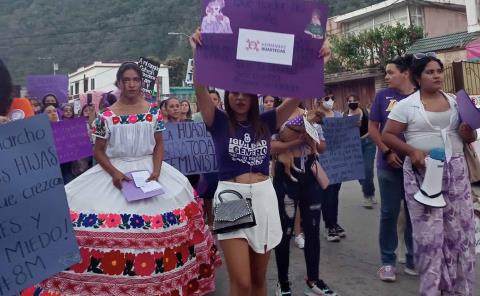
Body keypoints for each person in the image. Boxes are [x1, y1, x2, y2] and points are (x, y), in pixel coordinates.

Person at [29, 62, 221, 295]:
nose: (131, 84)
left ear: (141, 83)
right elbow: (99, 151)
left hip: (150, 173)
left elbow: (159, 144)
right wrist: (115, 173)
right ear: (119, 83)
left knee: (162, 231)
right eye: (126, 80)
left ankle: (158, 282)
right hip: (116, 173)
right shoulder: (105, 116)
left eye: (135, 80)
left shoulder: (153, 112)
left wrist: (157, 172)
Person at [191, 30, 304, 296]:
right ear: (227, 95)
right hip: (232, 198)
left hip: (264, 196)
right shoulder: (217, 121)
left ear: (254, 97)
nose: (240, 97)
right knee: (240, 281)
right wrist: (198, 52)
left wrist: (314, 59)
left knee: (258, 279)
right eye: (234, 93)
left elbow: (299, 93)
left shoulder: (267, 121)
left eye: (246, 93)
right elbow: (199, 87)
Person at [382, 53, 477, 296]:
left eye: (439, 71)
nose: (436, 76)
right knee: (430, 239)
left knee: (461, 236)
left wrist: (468, 133)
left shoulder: (456, 102)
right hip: (423, 175)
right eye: (430, 72)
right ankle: (434, 290)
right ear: (417, 77)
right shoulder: (406, 106)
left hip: (456, 174)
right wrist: (412, 151)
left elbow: (470, 137)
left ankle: (459, 290)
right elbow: (388, 135)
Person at [272, 105, 338, 296]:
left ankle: (314, 279)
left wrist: (313, 140)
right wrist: (295, 142)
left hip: (310, 173)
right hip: (286, 177)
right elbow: (270, 147)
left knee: (313, 228)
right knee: (285, 231)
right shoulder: (275, 116)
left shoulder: (309, 113)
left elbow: (322, 148)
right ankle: (283, 282)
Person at [368, 55, 417, 282]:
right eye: (386, 73)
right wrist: (386, 151)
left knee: (414, 213)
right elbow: (373, 127)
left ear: (405, 73)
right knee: (389, 213)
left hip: (416, 165)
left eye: (390, 72)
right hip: (387, 165)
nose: (386, 77)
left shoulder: (420, 96)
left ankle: (413, 258)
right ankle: (387, 262)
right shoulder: (382, 96)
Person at [316, 92, 346, 243]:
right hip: (323, 160)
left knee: (335, 193)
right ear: (319, 100)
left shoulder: (339, 115)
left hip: (338, 159)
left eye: (333, 98)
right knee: (327, 193)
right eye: (327, 98)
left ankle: (334, 222)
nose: (330, 101)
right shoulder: (315, 117)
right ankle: (329, 226)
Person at [344, 94, 376, 208]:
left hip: (368, 143)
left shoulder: (366, 112)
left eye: (354, 100)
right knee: (358, 172)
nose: (352, 102)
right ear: (347, 103)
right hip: (354, 145)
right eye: (350, 101)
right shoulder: (344, 115)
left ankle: (367, 197)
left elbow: (374, 126)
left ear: (358, 101)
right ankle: (369, 190)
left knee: (367, 170)